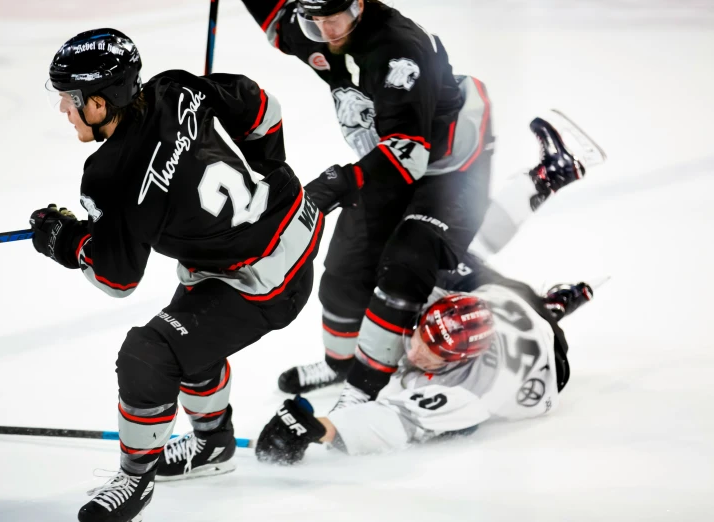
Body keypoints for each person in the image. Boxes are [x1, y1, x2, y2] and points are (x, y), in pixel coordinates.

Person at [33, 28, 323, 522]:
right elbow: (262, 106)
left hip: (261, 283)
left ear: (100, 103)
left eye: (70, 97)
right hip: (293, 225)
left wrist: (67, 241)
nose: (64, 108)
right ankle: (212, 447)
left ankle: (134, 479)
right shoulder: (176, 88)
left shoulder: (110, 176)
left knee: (148, 353)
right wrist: (267, 167)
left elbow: (116, 279)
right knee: (185, 331)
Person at [240, 0, 587, 406]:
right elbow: (278, 20)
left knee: (410, 264)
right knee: (346, 270)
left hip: (451, 161)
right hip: (390, 157)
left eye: (334, 18)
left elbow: (409, 153)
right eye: (315, 22)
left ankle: (359, 394)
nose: (327, 31)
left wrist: (341, 180)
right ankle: (341, 365)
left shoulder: (398, 48)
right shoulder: (314, 26)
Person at [254, 255, 594, 463]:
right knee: (428, 254)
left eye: (431, 356)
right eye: (420, 338)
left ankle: (554, 307)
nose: (414, 352)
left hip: (548, 355)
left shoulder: (470, 391)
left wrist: (319, 430)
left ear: (457, 362)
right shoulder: (441, 304)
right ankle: (342, 362)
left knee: (454, 426)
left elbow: (396, 420)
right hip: (505, 295)